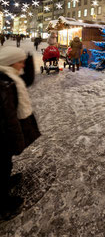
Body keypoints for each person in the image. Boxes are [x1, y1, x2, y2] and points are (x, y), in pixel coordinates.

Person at [0, 47, 40, 219]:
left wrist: (28, 58)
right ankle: (2, 204)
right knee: (2, 164)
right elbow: (7, 118)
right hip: (3, 135)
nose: (22, 65)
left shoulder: (11, 78)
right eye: (20, 62)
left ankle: (5, 182)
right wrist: (16, 140)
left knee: (6, 163)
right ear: (10, 63)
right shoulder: (3, 83)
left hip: (6, 133)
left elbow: (27, 80)